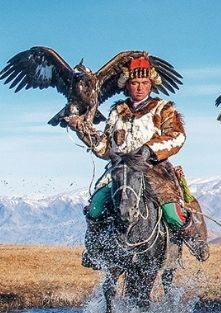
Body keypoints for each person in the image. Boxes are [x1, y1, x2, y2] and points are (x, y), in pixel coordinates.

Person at [65, 56, 209, 267]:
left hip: (154, 171)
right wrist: (82, 130)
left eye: (144, 83)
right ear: (127, 86)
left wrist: (147, 150)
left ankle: (194, 242)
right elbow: (105, 147)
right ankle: (94, 249)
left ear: (151, 84)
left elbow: (177, 136)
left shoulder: (163, 109)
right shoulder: (117, 111)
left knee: (172, 212)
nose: (140, 88)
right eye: (134, 83)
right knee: (96, 205)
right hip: (120, 170)